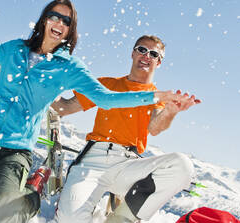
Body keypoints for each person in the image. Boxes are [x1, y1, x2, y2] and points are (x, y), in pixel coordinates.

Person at [0, 0, 182, 223]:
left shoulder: (68, 68)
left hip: (15, 149)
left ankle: (32, 192)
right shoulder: (13, 50)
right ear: (44, 19)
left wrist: (154, 97)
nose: (59, 22)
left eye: (66, 20)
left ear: (70, 30)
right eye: (54, 15)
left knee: (0, 214)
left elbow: (106, 99)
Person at [53, 35, 201, 223]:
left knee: (182, 166)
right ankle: (93, 214)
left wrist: (171, 111)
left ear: (159, 62)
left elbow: (155, 128)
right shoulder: (107, 85)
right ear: (132, 53)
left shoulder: (156, 97)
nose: (147, 55)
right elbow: (65, 108)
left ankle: (120, 218)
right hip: (93, 161)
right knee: (69, 219)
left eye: (153, 53)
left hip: (128, 165)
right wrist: (42, 86)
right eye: (142, 49)